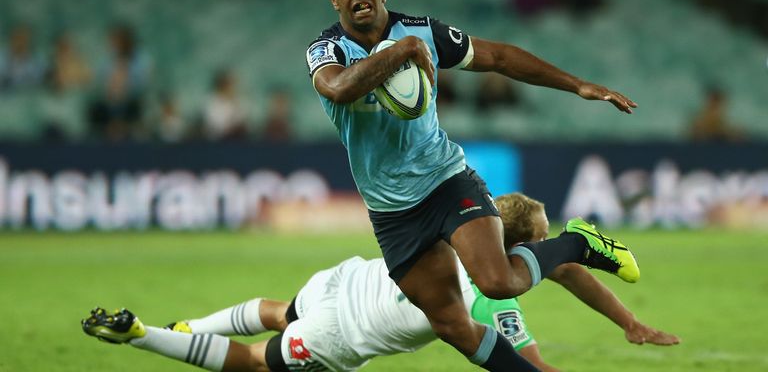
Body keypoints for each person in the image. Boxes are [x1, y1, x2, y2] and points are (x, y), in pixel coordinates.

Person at [303, 0, 639, 371]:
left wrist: (578, 85)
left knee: (497, 283)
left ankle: (580, 244)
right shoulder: (327, 49)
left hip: (446, 181)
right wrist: (403, 50)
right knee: (451, 325)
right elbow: (338, 89)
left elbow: (498, 57)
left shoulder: (423, 30)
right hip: (392, 212)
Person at [81, 193, 680, 372]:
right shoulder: (489, 295)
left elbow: (567, 268)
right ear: (517, 250)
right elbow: (530, 367)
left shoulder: (459, 226)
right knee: (256, 365)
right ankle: (143, 336)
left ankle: (187, 325)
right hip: (344, 332)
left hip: (344, 279)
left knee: (279, 309)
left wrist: (629, 322)